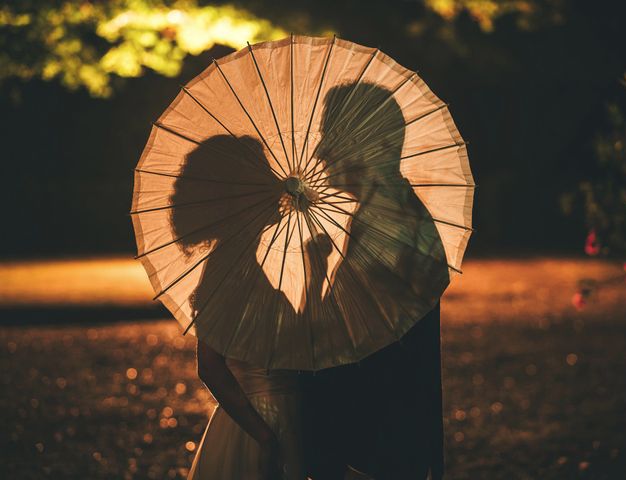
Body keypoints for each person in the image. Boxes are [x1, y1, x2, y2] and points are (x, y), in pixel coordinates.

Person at [301, 81, 449, 480]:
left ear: (372, 143)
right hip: (390, 434)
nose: (320, 152)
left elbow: (352, 336)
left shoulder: (388, 224)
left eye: (330, 135)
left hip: (377, 439)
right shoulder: (386, 213)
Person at [170, 134, 308, 480]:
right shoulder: (227, 267)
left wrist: (317, 278)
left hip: (283, 420)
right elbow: (211, 365)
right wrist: (263, 436)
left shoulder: (243, 260)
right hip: (258, 426)